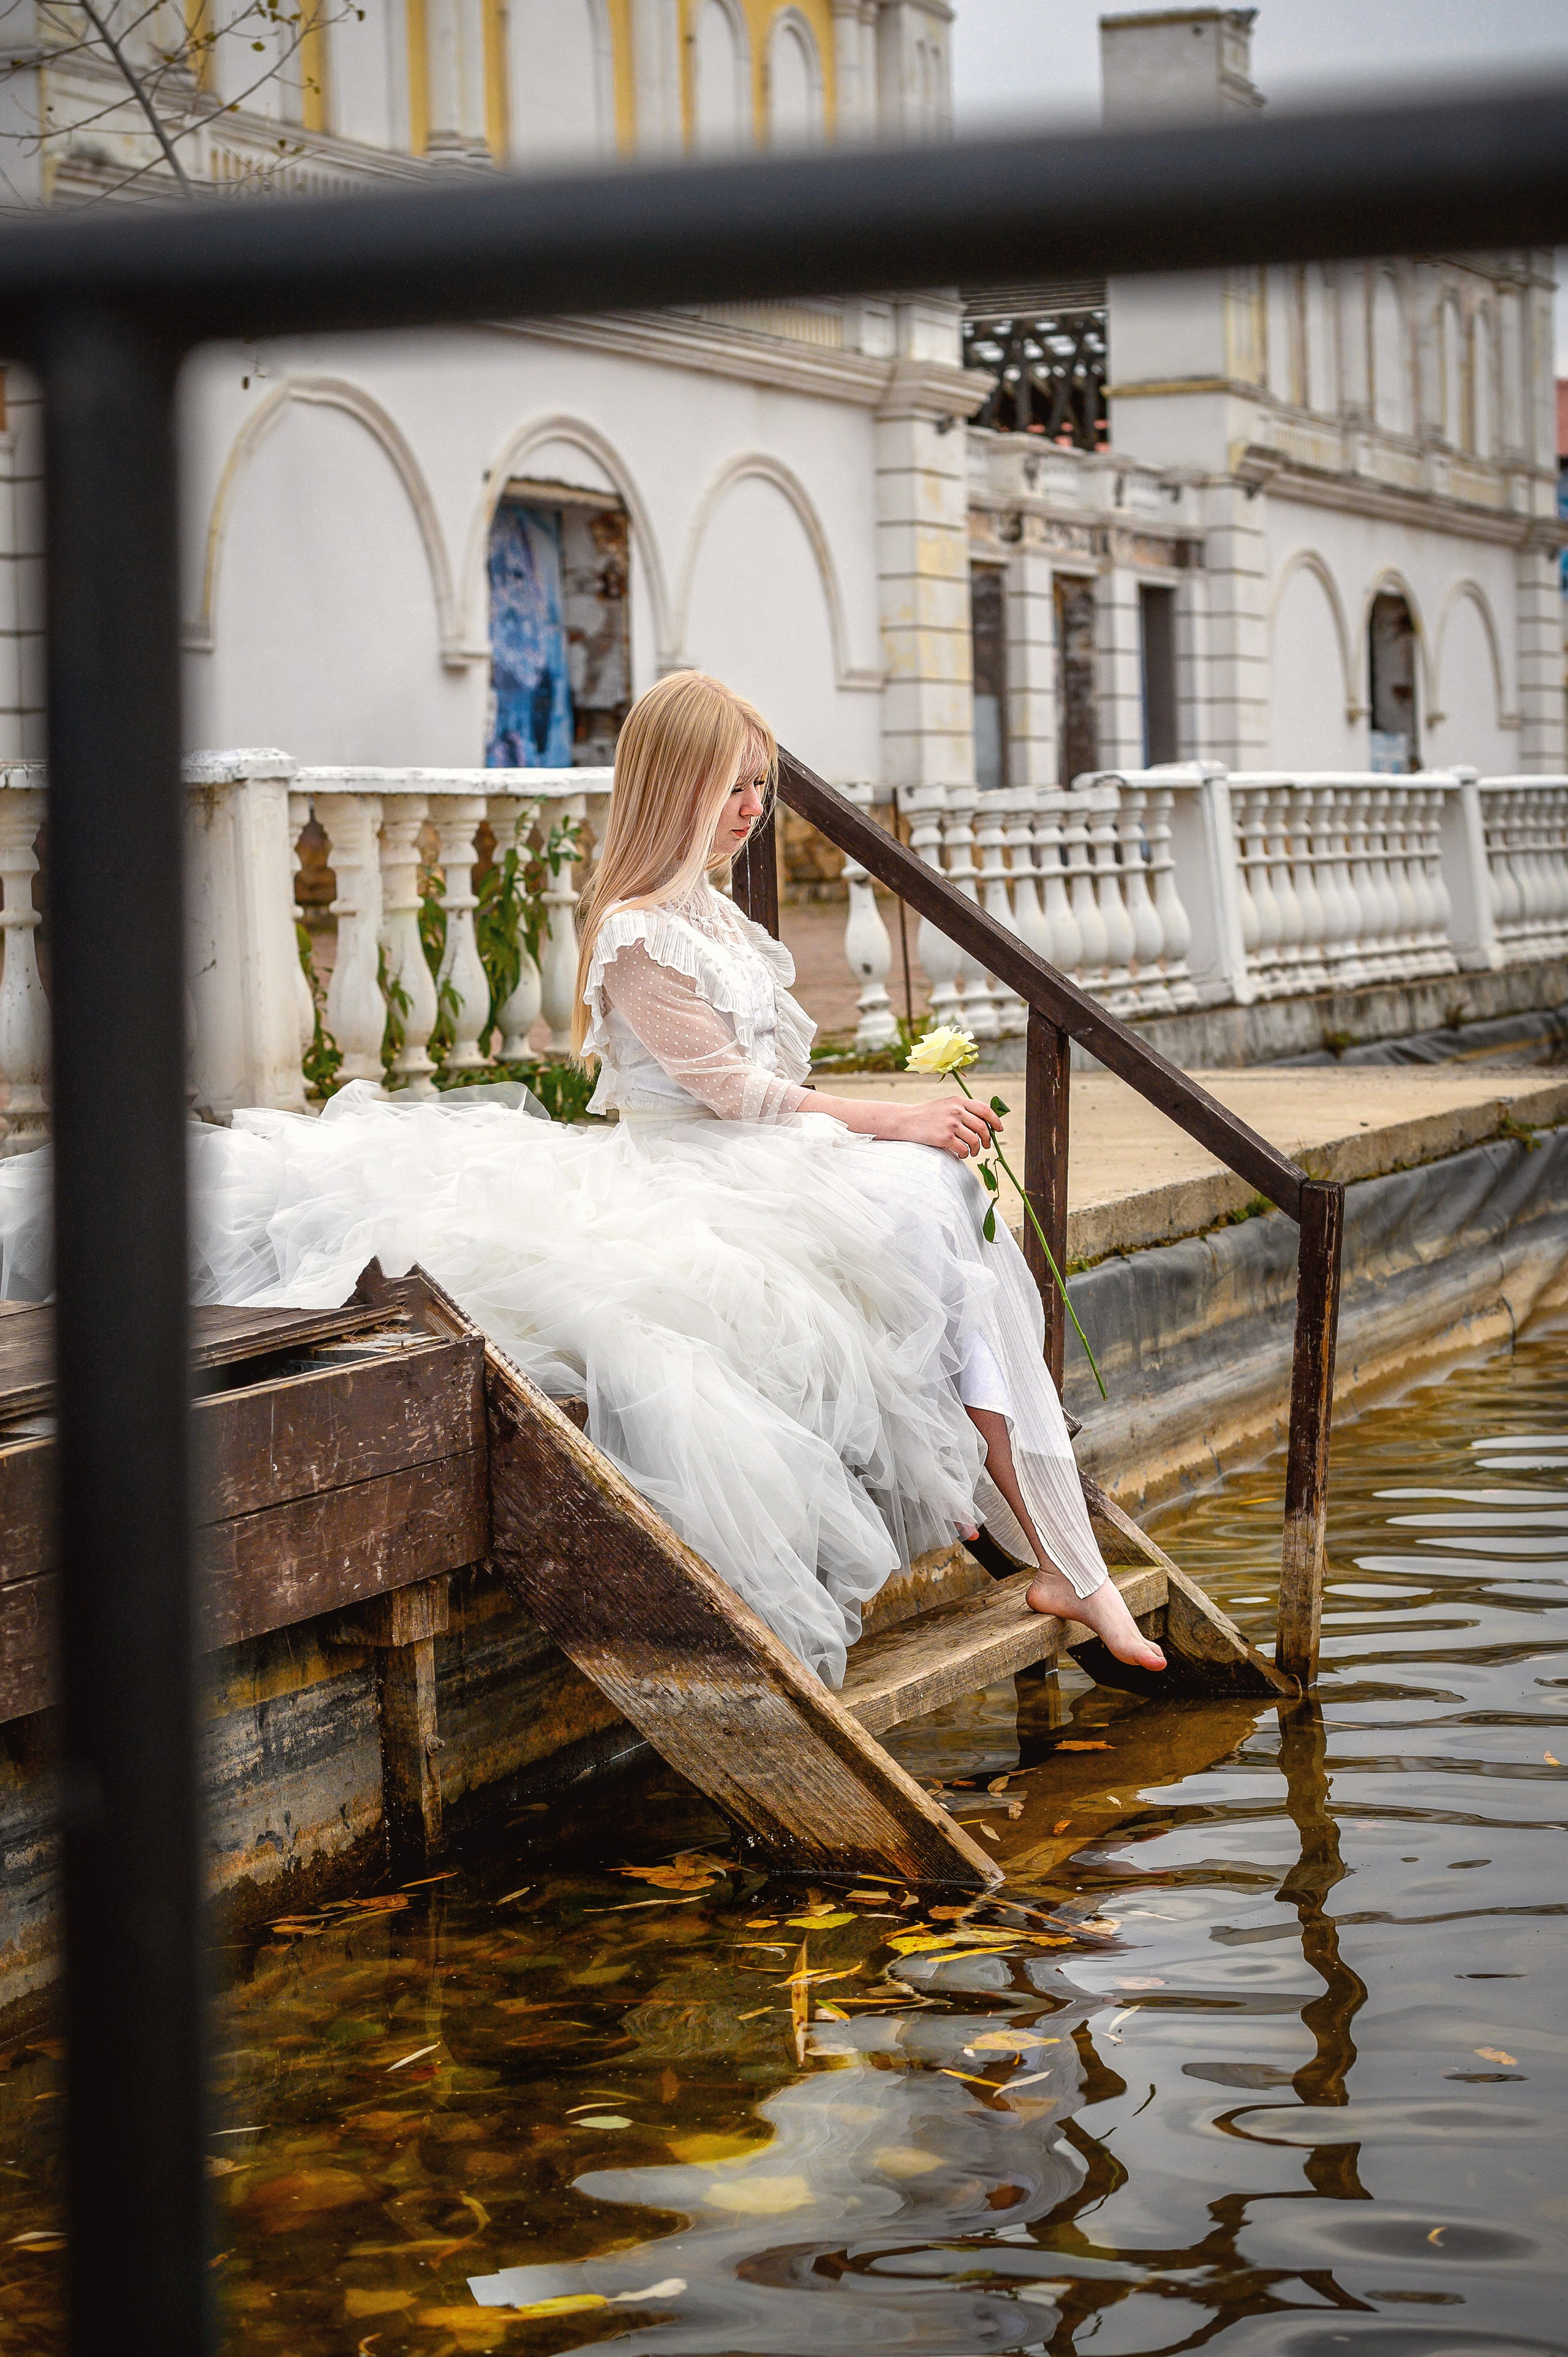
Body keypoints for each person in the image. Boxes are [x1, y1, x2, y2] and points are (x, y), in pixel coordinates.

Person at [0, 671, 1163, 1690]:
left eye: (762, 787)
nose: (752, 812)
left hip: (764, 1166)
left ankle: (1065, 1558)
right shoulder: (640, 930)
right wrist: (893, 1120)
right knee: (916, 1205)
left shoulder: (722, 921)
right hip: (693, 1173)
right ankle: (1067, 1559)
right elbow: (731, 1095)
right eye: (730, 787)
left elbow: (772, 1091)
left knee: (938, 1210)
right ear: (672, 788)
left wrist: (889, 1135)